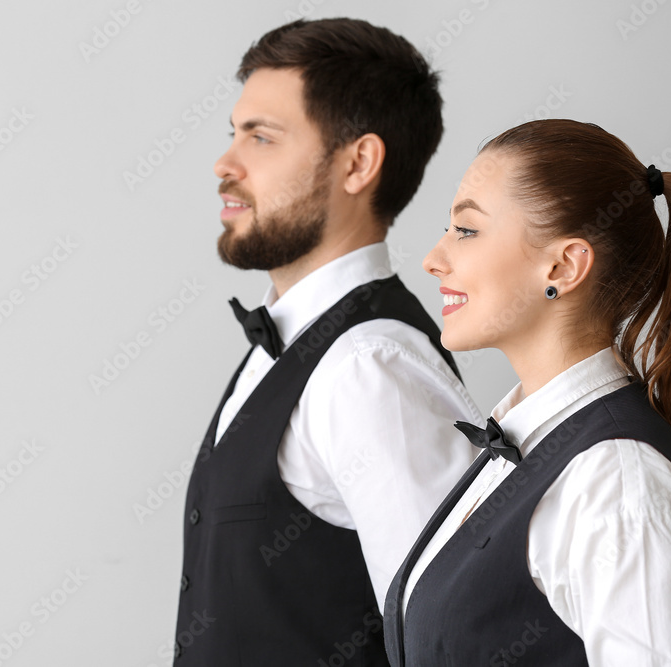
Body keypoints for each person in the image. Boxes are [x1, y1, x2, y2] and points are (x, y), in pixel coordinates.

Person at [172, 18, 481, 666]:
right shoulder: (288, 340)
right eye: (234, 133)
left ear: (358, 162)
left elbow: (458, 640)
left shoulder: (373, 366)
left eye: (262, 137)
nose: (225, 164)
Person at [383, 118, 671, 666]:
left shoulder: (617, 482)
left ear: (563, 265)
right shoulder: (526, 439)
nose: (434, 259)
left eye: (467, 230)